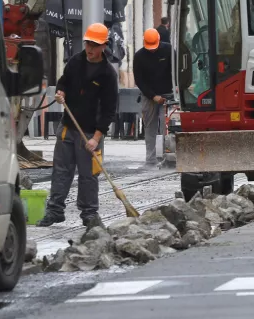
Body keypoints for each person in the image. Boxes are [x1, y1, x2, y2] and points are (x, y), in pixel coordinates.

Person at [36, 23, 119, 228]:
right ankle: (55, 210)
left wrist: (96, 138)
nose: (90, 49)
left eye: (94, 45)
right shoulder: (75, 62)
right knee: (61, 170)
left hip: (90, 133)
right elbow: (64, 81)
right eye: (88, 43)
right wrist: (61, 92)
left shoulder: (108, 74)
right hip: (68, 127)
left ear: (103, 46)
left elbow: (109, 110)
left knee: (88, 175)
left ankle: (89, 214)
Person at [133, 28, 173, 166]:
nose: (151, 50)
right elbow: (139, 80)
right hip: (148, 96)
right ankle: (150, 159)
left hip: (168, 94)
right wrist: (152, 96)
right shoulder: (139, 57)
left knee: (166, 127)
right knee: (150, 127)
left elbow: (176, 68)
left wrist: (178, 86)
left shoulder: (168, 50)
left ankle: (167, 158)